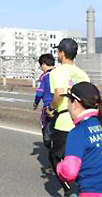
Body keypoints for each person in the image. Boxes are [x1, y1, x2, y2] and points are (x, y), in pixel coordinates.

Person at [48, 38, 90, 197]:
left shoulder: (57, 72)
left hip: (64, 122)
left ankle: (71, 190)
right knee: (80, 160)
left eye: (58, 51)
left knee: (55, 157)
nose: (57, 54)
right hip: (82, 122)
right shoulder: (82, 74)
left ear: (62, 53)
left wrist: (51, 108)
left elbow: (59, 94)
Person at [57, 82, 102, 196]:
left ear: (75, 103)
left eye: (68, 102)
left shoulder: (78, 132)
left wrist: (60, 167)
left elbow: (70, 172)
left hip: (91, 191)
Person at [33, 53, 55, 149]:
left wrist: (35, 103)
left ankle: (49, 146)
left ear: (43, 64)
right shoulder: (59, 73)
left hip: (48, 107)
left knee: (45, 127)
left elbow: (39, 93)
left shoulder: (44, 76)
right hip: (62, 106)